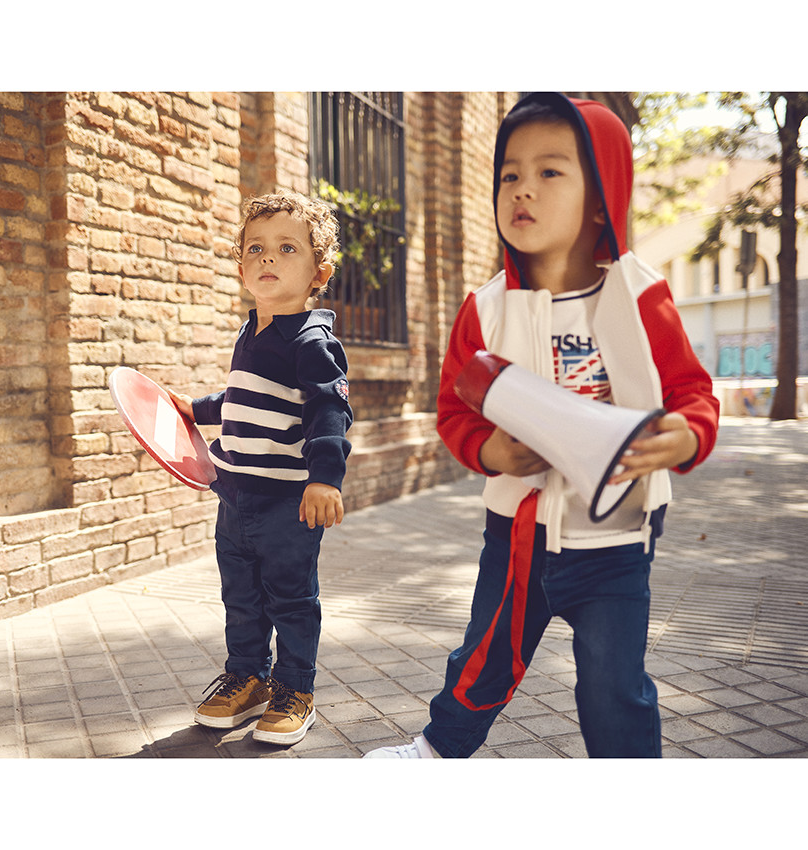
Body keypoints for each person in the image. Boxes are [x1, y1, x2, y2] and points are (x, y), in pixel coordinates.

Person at [364, 92, 719, 759]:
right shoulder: (486, 307)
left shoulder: (640, 293)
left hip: (617, 536)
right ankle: (436, 752)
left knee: (614, 686)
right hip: (519, 530)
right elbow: (453, 411)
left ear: (600, 198)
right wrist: (490, 450)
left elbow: (691, 390)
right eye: (510, 174)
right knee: (484, 657)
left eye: (550, 171)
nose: (522, 189)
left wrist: (690, 432)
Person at [170, 190, 352, 746]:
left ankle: (294, 691)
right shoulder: (251, 332)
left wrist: (325, 479)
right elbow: (239, 399)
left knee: (291, 600)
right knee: (242, 597)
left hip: (286, 503)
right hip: (235, 497)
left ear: (319, 273)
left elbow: (329, 410)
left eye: (287, 248)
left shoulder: (312, 341)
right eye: (256, 248)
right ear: (241, 268)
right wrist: (193, 410)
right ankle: (248, 679)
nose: (268, 257)